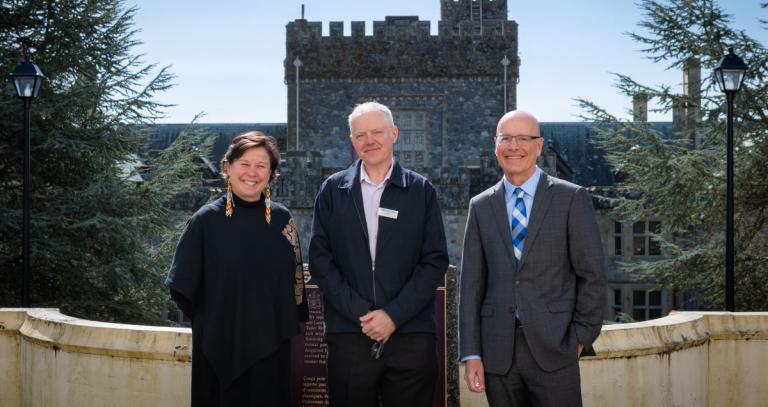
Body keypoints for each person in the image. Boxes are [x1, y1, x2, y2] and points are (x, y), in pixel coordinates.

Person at [458, 110, 607, 407]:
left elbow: (592, 275)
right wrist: (472, 353)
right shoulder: (481, 205)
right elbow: (471, 285)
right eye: (506, 139)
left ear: (538, 146)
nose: (514, 147)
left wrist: (579, 338)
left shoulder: (571, 198)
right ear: (495, 145)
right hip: (498, 353)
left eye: (523, 139)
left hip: (555, 350)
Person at [309, 101, 449, 407]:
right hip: (350, 335)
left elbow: (434, 260)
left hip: (411, 335)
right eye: (360, 135)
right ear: (352, 140)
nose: (369, 140)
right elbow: (320, 260)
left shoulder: (421, 191)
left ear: (394, 134)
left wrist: (393, 315)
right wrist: (363, 314)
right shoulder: (332, 191)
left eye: (377, 132)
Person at [165, 132, 308, 406]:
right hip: (219, 351)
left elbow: (296, 283)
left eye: (261, 165)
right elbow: (182, 285)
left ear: (272, 173)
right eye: (244, 163)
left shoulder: (282, 219)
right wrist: (218, 325)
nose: (252, 173)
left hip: (272, 349)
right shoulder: (205, 221)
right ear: (227, 167)